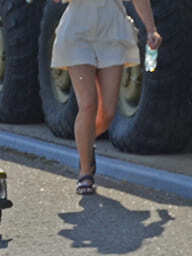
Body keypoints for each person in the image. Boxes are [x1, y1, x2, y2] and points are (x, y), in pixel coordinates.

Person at [51, 0, 161, 195]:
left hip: (112, 31)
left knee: (108, 112)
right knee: (88, 104)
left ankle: (87, 143)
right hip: (77, 32)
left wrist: (151, 29)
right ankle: (85, 173)